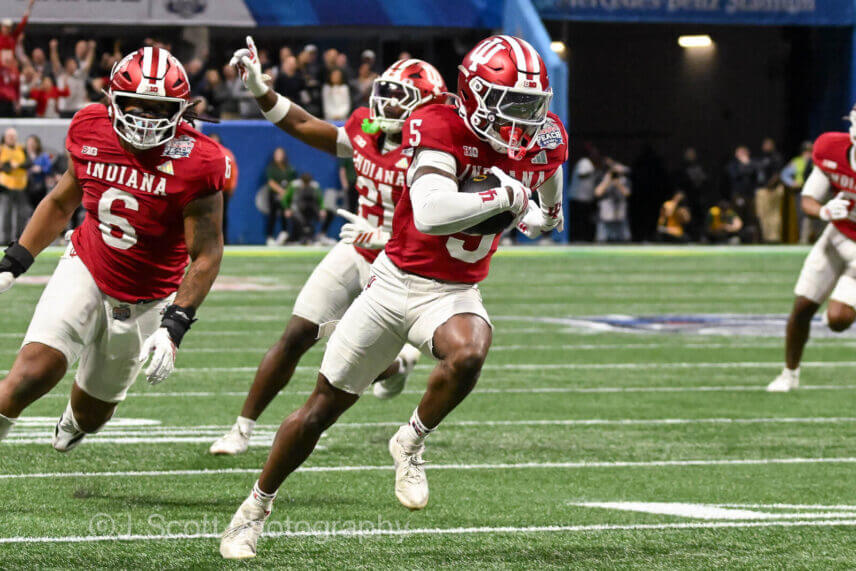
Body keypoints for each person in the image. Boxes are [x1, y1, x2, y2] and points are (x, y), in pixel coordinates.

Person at [219, 34, 566, 560]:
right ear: (473, 96)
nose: (524, 120)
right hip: (394, 280)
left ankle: (410, 440)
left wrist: (549, 209)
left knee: (470, 350)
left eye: (532, 106)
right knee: (320, 410)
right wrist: (505, 196)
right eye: (512, 105)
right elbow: (428, 211)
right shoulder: (438, 126)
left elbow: (548, 164)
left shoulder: (542, 138)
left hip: (452, 289)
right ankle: (254, 508)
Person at [209, 38, 445, 458]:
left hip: (402, 265)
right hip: (357, 247)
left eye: (400, 99)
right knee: (297, 333)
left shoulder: (436, 156)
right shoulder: (368, 129)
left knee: (349, 360)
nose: (386, 106)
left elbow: (449, 226)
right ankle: (241, 429)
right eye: (385, 95)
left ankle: (395, 365)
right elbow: (302, 125)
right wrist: (262, 91)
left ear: (425, 108)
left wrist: (391, 238)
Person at [0, 46, 227, 452]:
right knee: (31, 373)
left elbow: (207, 252)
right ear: (112, 101)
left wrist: (175, 324)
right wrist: (15, 260)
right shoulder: (89, 126)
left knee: (92, 416)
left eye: (157, 109)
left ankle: (75, 419)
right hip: (87, 265)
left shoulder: (199, 160)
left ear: (181, 110)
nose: (144, 119)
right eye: (135, 105)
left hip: (147, 297)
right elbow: (60, 201)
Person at [767, 108, 856, 392]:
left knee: (839, 320)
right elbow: (808, 199)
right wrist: (826, 211)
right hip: (837, 234)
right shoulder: (832, 148)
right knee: (802, 306)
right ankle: (789, 374)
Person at [781, 141, 820, 244]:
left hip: (815, 192)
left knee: (816, 215)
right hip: (801, 191)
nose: (809, 154)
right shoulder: (797, 162)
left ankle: (816, 238)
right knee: (802, 216)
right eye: (807, 151)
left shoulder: (816, 161)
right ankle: (804, 239)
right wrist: (792, 183)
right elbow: (784, 174)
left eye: (810, 151)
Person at [0, 127, 28, 243]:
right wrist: (9, 166)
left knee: (22, 213)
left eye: (13, 136)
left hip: (21, 185)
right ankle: (5, 239)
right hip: (5, 186)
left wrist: (17, 165)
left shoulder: (21, 148)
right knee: (6, 213)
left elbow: (29, 162)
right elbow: (4, 166)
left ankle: (20, 238)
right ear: (5, 138)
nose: (11, 138)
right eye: (9, 136)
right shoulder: (2, 149)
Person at [754, 137, 785, 243]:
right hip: (763, 189)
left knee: (774, 215)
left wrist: (769, 186)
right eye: (764, 145)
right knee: (762, 215)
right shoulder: (761, 158)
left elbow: (777, 174)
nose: (765, 147)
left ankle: (774, 238)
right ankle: (766, 237)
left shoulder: (776, 157)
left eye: (768, 145)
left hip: (773, 189)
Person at [263, 147, 295, 246]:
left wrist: (286, 193)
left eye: (280, 154)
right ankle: (270, 236)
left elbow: (292, 182)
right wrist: (281, 191)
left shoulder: (289, 168)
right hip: (274, 195)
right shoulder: (271, 168)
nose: (278, 156)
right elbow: (271, 182)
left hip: (286, 195)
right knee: (272, 215)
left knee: (285, 213)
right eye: (276, 154)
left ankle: (285, 234)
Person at [594, 160, 631, 242]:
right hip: (605, 213)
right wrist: (607, 180)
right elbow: (597, 192)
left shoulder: (624, 180)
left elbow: (627, 193)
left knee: (623, 239)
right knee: (602, 239)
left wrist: (617, 183)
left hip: (620, 213)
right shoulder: (602, 177)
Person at [284, 172, 323, 244]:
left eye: (307, 183)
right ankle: (297, 238)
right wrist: (287, 209)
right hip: (296, 209)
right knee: (299, 219)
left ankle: (311, 238)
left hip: (309, 209)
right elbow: (285, 199)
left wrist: (322, 210)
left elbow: (320, 199)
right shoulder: (294, 186)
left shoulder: (314, 187)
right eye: (304, 183)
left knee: (312, 218)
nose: (306, 185)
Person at [24, 134, 51, 209]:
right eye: (29, 143)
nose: (30, 145)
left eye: (33, 143)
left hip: (39, 186)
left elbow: (49, 168)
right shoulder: (24, 155)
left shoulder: (43, 156)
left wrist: (40, 169)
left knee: (39, 207)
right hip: (25, 186)